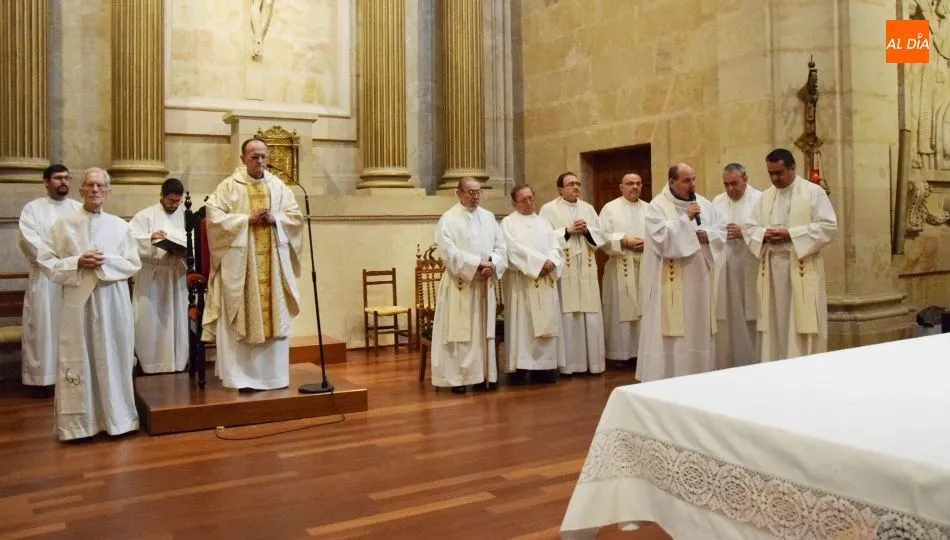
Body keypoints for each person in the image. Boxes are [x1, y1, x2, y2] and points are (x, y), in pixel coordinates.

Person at [39, 168, 141, 441]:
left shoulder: (121, 226)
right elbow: (47, 262)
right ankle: (79, 425)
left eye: (101, 186)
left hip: (112, 301)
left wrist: (104, 261)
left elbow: (133, 263)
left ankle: (118, 421)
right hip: (78, 303)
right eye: (90, 185)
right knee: (80, 358)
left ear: (108, 192)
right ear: (81, 190)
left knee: (113, 356)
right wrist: (77, 262)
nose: (95, 190)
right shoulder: (63, 225)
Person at [201, 138, 304, 391]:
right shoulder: (228, 187)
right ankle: (242, 377)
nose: (259, 161)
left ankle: (274, 377)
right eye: (254, 156)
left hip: (273, 266)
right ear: (243, 158)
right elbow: (214, 218)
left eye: (263, 156)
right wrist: (246, 219)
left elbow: (295, 218)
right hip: (241, 267)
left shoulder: (279, 187)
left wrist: (274, 219)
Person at [743, 148, 838, 361]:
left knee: (798, 323)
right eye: (771, 173)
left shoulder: (813, 192)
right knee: (774, 324)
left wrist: (790, 234)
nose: (775, 178)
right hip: (772, 272)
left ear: (792, 168)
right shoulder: (766, 197)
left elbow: (829, 227)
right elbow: (748, 228)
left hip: (800, 268)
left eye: (779, 172)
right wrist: (764, 234)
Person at [637, 163, 726, 383]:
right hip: (669, 281)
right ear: (671, 182)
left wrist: (709, 236)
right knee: (671, 330)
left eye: (693, 179)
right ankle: (668, 375)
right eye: (686, 180)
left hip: (699, 280)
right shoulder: (657, 206)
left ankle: (699, 374)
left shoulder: (703, 203)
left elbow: (720, 229)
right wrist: (685, 219)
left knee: (697, 325)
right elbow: (661, 240)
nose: (692, 184)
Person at [430, 177, 507, 394]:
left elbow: (501, 247)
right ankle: (460, 379)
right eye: (470, 192)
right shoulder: (448, 219)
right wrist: (477, 264)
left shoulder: (489, 217)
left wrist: (492, 264)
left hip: (484, 284)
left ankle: (486, 375)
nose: (475, 196)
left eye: (478, 192)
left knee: (483, 330)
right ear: (459, 193)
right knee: (460, 332)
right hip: (460, 284)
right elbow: (448, 252)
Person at [17, 164, 81, 396]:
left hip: (73, 279)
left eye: (66, 177)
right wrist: (58, 261)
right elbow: (29, 240)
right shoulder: (33, 210)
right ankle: (43, 382)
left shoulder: (78, 209)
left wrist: (71, 262)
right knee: (44, 329)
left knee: (70, 330)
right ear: (46, 182)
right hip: (45, 279)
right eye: (57, 178)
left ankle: (72, 379)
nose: (63, 182)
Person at [539, 172, 607, 375]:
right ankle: (569, 365)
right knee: (568, 316)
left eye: (578, 184)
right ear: (560, 189)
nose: (576, 187)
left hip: (585, 269)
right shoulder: (548, 209)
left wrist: (587, 231)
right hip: (565, 269)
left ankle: (592, 364)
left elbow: (601, 235)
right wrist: (567, 231)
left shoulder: (587, 208)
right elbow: (544, 237)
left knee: (590, 314)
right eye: (571, 184)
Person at [500, 184, 565, 385]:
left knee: (547, 322)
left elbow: (556, 247)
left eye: (531, 198)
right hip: (523, 282)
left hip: (545, 281)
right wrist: (539, 263)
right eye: (524, 199)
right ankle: (521, 367)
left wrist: (552, 262)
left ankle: (544, 368)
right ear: (514, 203)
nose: (529, 202)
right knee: (523, 325)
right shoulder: (508, 223)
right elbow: (512, 250)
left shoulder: (544, 222)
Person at [129, 178, 188, 374]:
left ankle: (177, 363)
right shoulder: (144, 216)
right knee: (149, 320)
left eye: (177, 201)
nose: (174, 205)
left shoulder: (185, 216)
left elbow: (193, 241)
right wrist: (152, 238)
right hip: (152, 276)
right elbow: (130, 241)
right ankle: (150, 364)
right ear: (162, 196)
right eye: (171, 201)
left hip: (175, 274)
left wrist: (183, 251)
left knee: (176, 319)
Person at [712, 163, 762, 369]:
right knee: (726, 315)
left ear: (745, 179)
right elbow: (711, 228)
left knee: (750, 313)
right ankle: (726, 362)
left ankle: (752, 362)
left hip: (751, 264)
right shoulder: (717, 201)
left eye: (735, 183)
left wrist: (744, 232)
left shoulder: (760, 199)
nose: (731, 189)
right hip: (724, 265)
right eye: (726, 184)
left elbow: (766, 230)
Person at [598, 172, 649, 370]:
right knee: (620, 309)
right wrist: (624, 241)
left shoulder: (649, 208)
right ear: (621, 187)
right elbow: (601, 236)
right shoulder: (610, 208)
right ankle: (621, 353)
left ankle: (641, 352)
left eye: (638, 183)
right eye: (629, 183)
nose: (634, 187)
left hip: (644, 264)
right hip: (620, 265)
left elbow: (659, 233)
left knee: (642, 309)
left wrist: (648, 243)